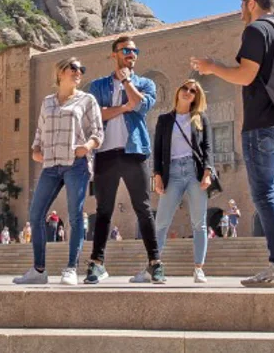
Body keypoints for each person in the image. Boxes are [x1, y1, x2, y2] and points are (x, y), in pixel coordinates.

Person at [192, 0, 274, 288]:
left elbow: (245, 75)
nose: (241, 11)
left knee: (265, 194)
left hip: (263, 125)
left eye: (243, 4)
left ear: (253, 3)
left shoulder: (257, 31)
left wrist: (213, 67)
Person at [14, 56, 103, 286]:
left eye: (81, 69)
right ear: (60, 72)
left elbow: (98, 133)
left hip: (76, 164)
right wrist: (35, 150)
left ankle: (71, 268)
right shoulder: (47, 102)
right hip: (50, 166)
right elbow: (39, 134)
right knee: (35, 214)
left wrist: (88, 147)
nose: (78, 72)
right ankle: (39, 270)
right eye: (73, 68)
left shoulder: (87, 100)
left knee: (75, 216)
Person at [84, 36, 164, 285]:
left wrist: (128, 83)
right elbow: (97, 115)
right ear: (114, 54)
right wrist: (124, 107)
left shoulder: (145, 83)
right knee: (104, 210)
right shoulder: (97, 86)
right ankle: (97, 264)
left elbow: (141, 105)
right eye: (126, 50)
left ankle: (155, 263)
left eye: (135, 50)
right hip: (106, 153)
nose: (132, 54)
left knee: (143, 207)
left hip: (134, 151)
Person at [153, 79, 214, 283]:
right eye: (185, 88)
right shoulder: (164, 120)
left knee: (199, 223)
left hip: (194, 171)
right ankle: (153, 266)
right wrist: (157, 175)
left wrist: (208, 172)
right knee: (161, 222)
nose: (188, 92)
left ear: (197, 97)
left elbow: (208, 148)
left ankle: (198, 268)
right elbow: (158, 151)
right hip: (172, 172)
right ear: (178, 91)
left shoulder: (200, 119)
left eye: (193, 91)